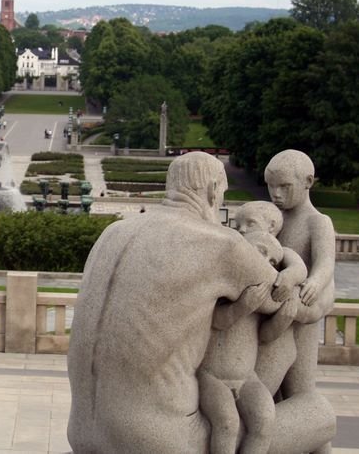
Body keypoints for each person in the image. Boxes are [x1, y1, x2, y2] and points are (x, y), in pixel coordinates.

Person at [67, 153, 298, 452]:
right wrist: (295, 264)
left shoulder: (112, 232)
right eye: (223, 195)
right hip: (158, 439)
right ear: (214, 191)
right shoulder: (220, 244)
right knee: (313, 411)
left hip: (82, 431)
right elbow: (284, 296)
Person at [197, 201, 307, 454]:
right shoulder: (228, 280)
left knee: (265, 420)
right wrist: (242, 307)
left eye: (272, 261)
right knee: (227, 423)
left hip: (247, 378)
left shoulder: (265, 293)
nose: (266, 263)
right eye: (260, 253)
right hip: (213, 376)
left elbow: (265, 336)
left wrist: (283, 318)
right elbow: (217, 322)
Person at [264, 150, 337, 454]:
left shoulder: (317, 221)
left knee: (302, 398)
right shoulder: (273, 221)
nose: (276, 194)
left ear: (308, 182)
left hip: (302, 322)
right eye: (271, 186)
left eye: (284, 187)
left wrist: (316, 283)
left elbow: (326, 262)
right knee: (273, 399)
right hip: (274, 320)